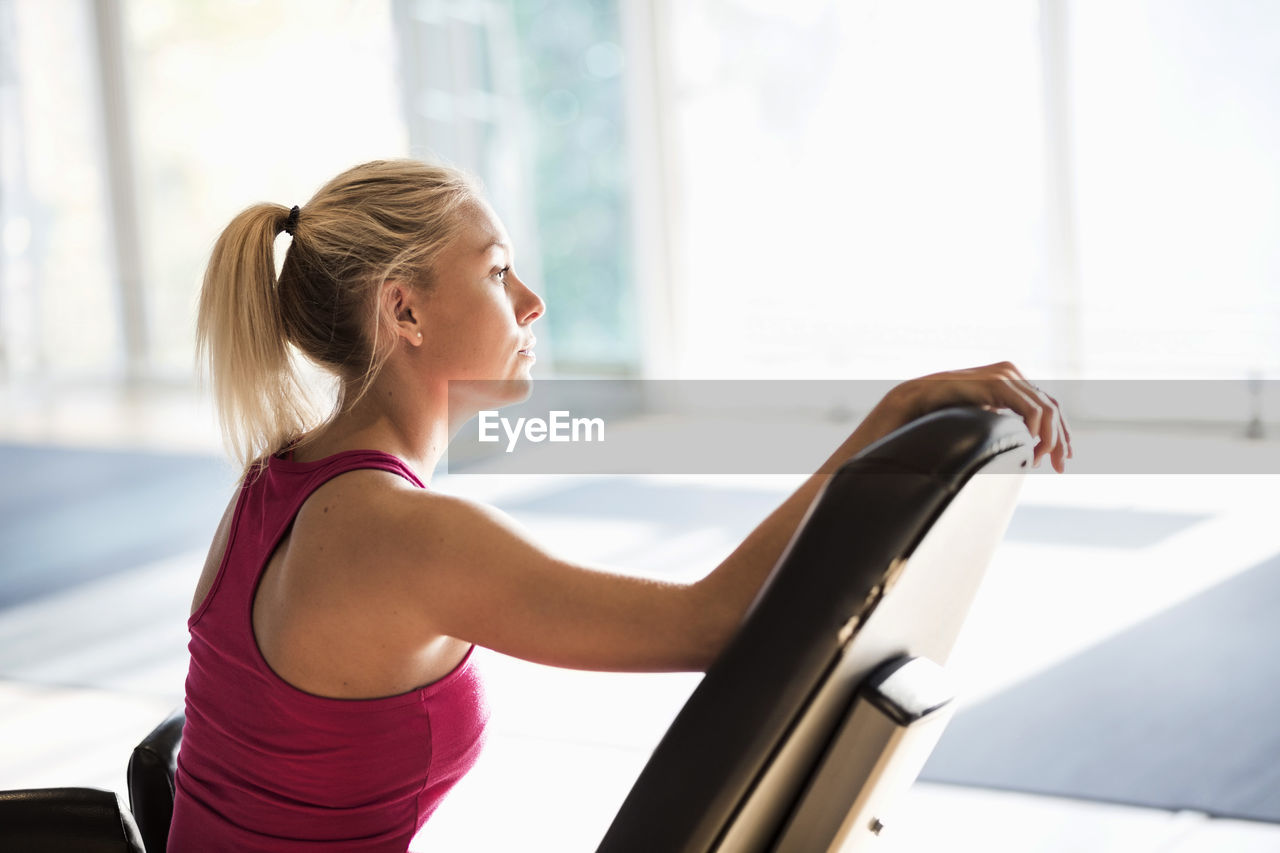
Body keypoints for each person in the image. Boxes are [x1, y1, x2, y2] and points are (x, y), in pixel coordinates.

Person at [168, 159, 1071, 851]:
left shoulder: (270, 485)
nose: (532, 301)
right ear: (404, 311)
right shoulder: (404, 535)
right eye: (497, 272)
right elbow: (713, 624)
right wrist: (893, 417)